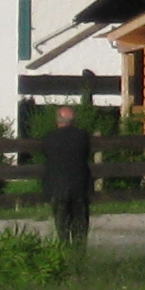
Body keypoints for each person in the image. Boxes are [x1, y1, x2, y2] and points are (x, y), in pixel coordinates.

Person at [38, 103, 95, 247]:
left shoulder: (49, 138)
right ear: (73, 120)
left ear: (57, 120)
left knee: (61, 224)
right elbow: (86, 154)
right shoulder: (82, 136)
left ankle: (63, 251)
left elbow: (45, 154)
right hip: (79, 187)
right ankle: (79, 255)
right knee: (80, 223)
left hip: (57, 187)